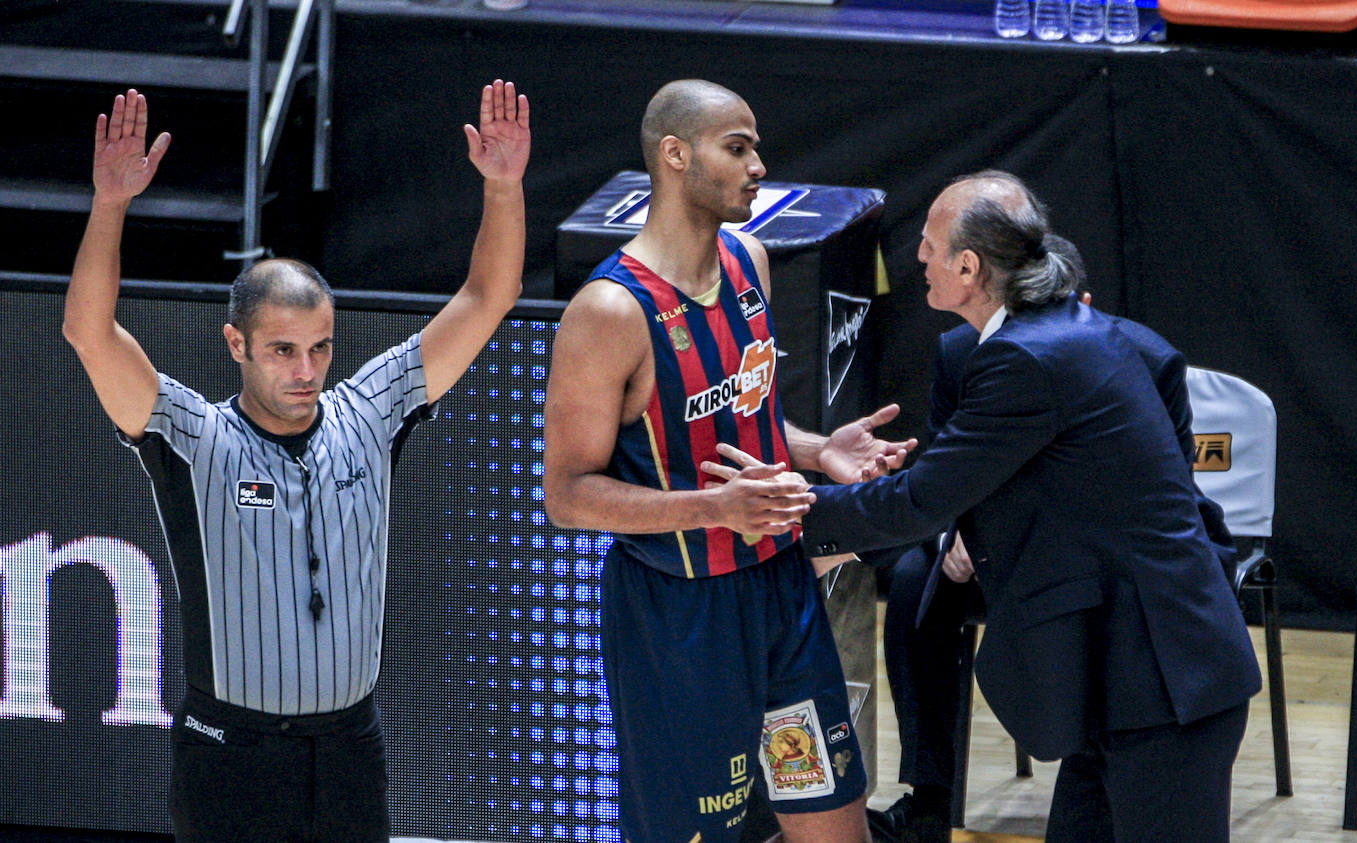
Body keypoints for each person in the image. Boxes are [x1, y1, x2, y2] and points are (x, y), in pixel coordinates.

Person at [713, 171, 1262, 842]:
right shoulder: (1058, 333)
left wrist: (778, 512)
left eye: (929, 245)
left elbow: (921, 499)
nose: (917, 258)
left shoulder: (1029, 359)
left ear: (968, 266)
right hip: (1125, 684)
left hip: (1164, 686)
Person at [61, 82, 529, 841]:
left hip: (348, 747)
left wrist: (503, 187)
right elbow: (88, 330)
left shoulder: (370, 413)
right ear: (236, 344)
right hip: (230, 751)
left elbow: (489, 294)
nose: (305, 369)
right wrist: (110, 203)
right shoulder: (195, 435)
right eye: (282, 349)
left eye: (320, 348)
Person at [541, 79, 914, 843]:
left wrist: (817, 449)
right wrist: (712, 510)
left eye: (755, 148)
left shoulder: (750, 261)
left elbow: (745, 418)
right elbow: (568, 496)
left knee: (835, 823)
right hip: (679, 613)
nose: (757, 167)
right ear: (675, 156)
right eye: (737, 148)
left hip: (780, 591)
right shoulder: (608, 311)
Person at [868, 236, 1243, 843]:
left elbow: (1170, 502)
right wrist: (956, 530)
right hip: (1051, 599)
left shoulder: (1137, 355)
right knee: (919, 581)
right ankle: (931, 792)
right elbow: (942, 477)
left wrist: (803, 521)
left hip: (1149, 630)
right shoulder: (967, 353)